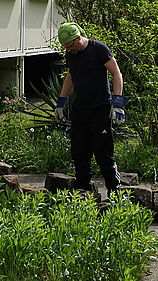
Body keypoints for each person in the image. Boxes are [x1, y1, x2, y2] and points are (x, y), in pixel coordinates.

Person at [55, 22, 128, 197]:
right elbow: (70, 76)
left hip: (100, 108)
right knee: (79, 151)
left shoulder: (99, 49)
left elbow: (116, 73)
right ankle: (83, 190)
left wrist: (117, 104)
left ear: (78, 38)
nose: (69, 51)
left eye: (70, 46)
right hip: (80, 109)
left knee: (103, 152)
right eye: (66, 48)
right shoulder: (71, 53)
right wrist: (61, 102)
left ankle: (114, 190)